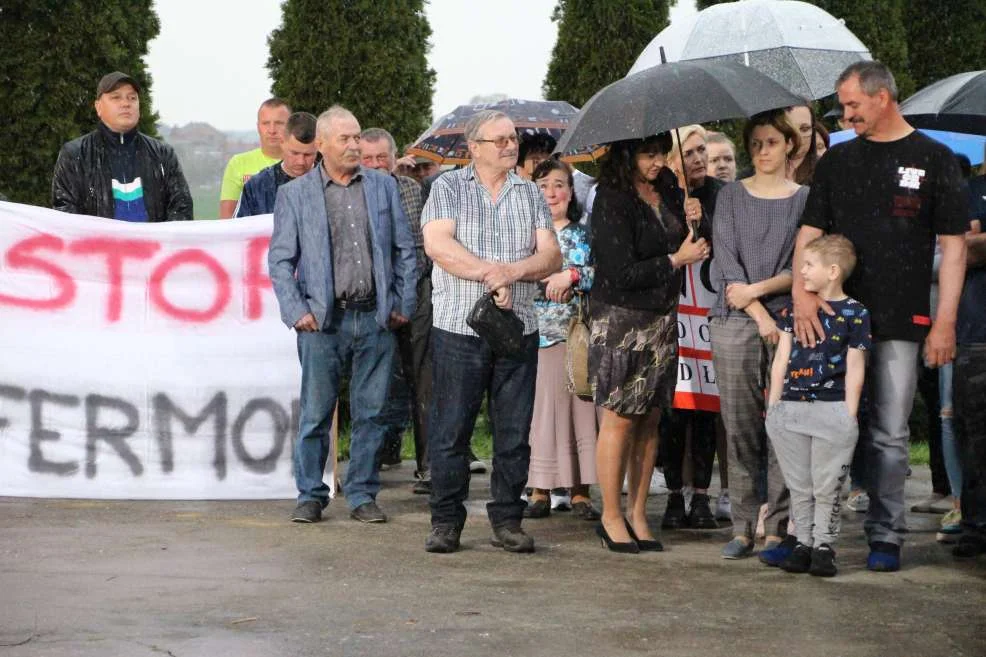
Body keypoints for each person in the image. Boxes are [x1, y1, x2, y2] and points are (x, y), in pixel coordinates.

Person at [793, 61, 968, 572]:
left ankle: (886, 535)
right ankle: (811, 533)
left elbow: (954, 249)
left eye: (853, 105)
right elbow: (809, 232)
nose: (845, 115)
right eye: (843, 106)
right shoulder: (838, 161)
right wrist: (803, 296)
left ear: (883, 97)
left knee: (890, 432)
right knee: (825, 425)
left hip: (902, 321)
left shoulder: (934, 160)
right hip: (833, 316)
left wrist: (945, 322)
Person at [419, 110, 561, 554]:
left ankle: (507, 519)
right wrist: (490, 275)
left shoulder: (530, 193)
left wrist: (512, 272)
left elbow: (551, 256)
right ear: (474, 148)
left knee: (514, 431)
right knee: (451, 430)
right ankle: (445, 521)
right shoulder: (447, 187)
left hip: (518, 328)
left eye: (512, 139)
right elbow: (438, 246)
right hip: (458, 328)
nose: (509, 146)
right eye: (498, 140)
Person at [268, 106, 417, 525]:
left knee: (372, 414)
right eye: (345, 139)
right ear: (321, 145)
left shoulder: (383, 187)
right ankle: (311, 494)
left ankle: (362, 494)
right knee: (316, 414)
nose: (354, 145)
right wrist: (297, 311)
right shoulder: (294, 195)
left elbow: (405, 250)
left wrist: (402, 306)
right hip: (322, 324)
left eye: (356, 138)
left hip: (375, 319)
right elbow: (280, 261)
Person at [590, 133, 708, 553]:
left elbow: (697, 246)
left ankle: (639, 513)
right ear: (626, 154)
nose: (658, 162)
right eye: (648, 154)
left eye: (661, 152)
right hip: (621, 320)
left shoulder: (671, 190)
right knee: (620, 418)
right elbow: (620, 271)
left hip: (662, 318)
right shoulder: (611, 197)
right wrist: (675, 261)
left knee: (650, 419)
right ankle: (610, 514)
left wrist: (696, 216)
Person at [710, 109, 807, 561]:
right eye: (755, 144)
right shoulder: (730, 196)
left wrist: (762, 294)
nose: (762, 151)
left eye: (771, 142)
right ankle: (743, 525)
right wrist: (756, 311)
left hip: (789, 318)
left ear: (789, 144)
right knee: (740, 425)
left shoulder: (805, 198)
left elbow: (803, 265)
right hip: (736, 322)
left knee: (784, 423)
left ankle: (780, 524)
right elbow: (725, 265)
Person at [766, 235, 871, 577]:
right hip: (791, 409)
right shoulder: (792, 311)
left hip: (833, 410)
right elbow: (781, 359)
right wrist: (774, 406)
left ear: (833, 271)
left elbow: (856, 364)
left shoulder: (856, 313)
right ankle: (803, 543)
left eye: (809, 265)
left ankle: (825, 545)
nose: (802, 272)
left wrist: (848, 413)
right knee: (800, 483)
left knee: (827, 485)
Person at [360, 127, 433, 494]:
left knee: (424, 380)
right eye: (367, 158)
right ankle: (369, 463)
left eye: (381, 158)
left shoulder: (410, 189)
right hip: (370, 300)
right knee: (373, 383)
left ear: (393, 159)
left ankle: (429, 466)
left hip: (415, 294)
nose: (375, 165)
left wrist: (404, 299)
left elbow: (419, 250)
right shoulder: (351, 193)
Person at [524, 159, 598, 521]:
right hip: (531, 336)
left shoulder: (582, 235)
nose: (551, 193)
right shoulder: (525, 234)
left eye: (559, 185)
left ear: (571, 193)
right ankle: (539, 488)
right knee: (541, 413)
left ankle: (581, 490)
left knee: (579, 412)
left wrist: (570, 276)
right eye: (543, 186)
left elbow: (595, 275)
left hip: (574, 336)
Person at [661, 124, 723, 530]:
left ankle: (702, 494)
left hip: (710, 309)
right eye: (690, 152)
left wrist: (707, 220)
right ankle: (672, 494)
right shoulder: (661, 193)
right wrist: (678, 220)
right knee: (673, 407)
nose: (698, 158)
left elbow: (731, 242)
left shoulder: (722, 193)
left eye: (702, 150)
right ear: (672, 160)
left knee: (705, 405)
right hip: (672, 310)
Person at [52, 71, 192, 222]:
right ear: (98, 107)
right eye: (116, 97)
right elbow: (65, 217)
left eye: (132, 98)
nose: (126, 103)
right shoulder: (75, 155)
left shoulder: (163, 154)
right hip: (98, 245)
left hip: (153, 245)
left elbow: (181, 209)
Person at [235, 112, 318, 217]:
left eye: (308, 155)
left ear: (319, 147)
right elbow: (240, 230)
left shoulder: (332, 185)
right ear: (282, 142)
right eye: (295, 153)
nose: (300, 161)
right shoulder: (256, 186)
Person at [219, 98, 291, 218]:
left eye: (279, 123)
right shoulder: (238, 163)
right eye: (266, 123)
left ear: (290, 127)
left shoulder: (302, 163)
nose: (272, 130)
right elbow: (227, 220)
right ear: (258, 127)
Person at [786, 103, 819, 185]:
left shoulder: (828, 169)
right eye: (790, 130)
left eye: (805, 129)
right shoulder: (753, 174)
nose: (798, 137)